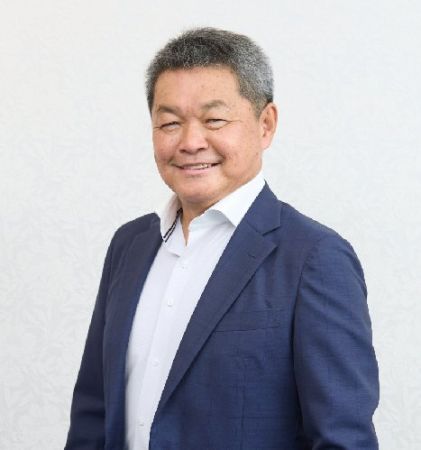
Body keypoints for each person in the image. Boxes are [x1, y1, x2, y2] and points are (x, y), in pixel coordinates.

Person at [65, 27, 379, 449]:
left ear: (265, 125)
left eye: (214, 120)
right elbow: (93, 413)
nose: (190, 142)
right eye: (169, 123)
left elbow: (343, 438)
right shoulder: (129, 245)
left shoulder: (314, 258)